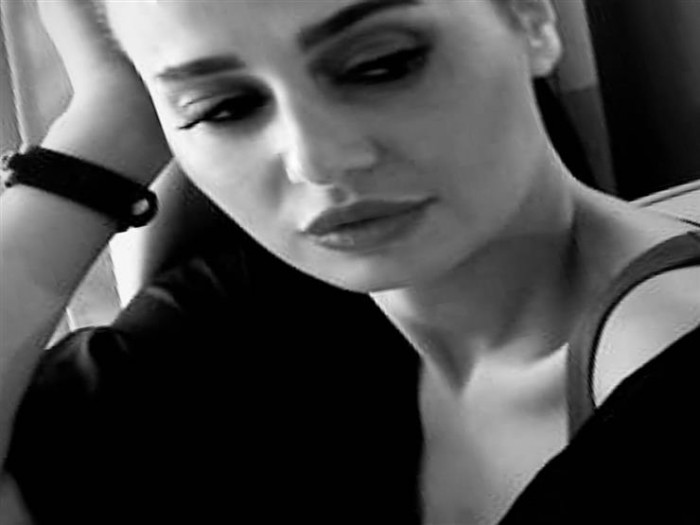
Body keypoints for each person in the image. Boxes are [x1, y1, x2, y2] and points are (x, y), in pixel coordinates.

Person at [0, 0, 698, 523]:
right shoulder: (260, 316)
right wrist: (108, 126)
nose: (317, 159)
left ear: (530, 18)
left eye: (381, 65)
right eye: (223, 107)